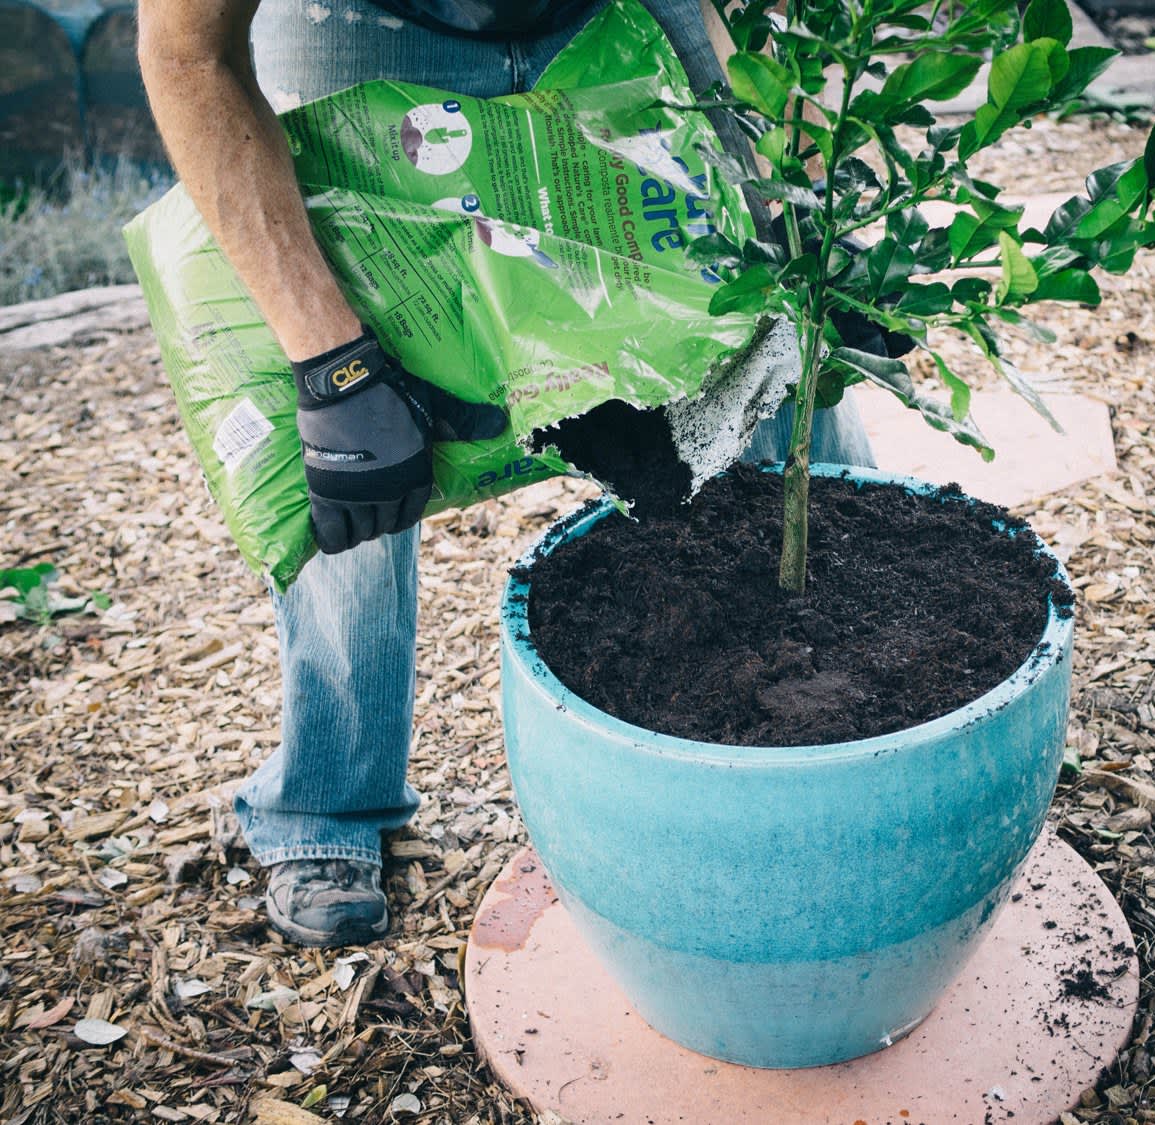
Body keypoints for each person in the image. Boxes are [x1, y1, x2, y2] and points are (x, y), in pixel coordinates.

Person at [136, 0, 876, 946]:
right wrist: (331, 364)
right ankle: (328, 799)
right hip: (363, 16)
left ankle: (862, 710)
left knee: (776, 320)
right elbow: (187, 53)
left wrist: (816, 198)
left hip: (609, 11)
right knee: (340, 453)